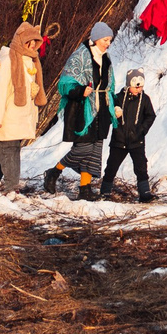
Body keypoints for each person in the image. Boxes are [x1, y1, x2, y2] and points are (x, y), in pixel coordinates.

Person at [49, 22, 117, 200]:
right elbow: (65, 84)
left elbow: (110, 84)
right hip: (82, 109)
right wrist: (80, 91)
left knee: (95, 150)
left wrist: (114, 104)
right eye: (105, 39)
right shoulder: (80, 56)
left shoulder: (106, 58)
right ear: (95, 39)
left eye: (109, 40)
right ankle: (54, 172)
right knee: (83, 148)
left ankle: (84, 188)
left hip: (101, 108)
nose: (108, 43)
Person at [0, 23, 47, 190]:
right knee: (9, 153)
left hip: (17, 119)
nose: (32, 45)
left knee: (5, 154)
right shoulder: (9, 61)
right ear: (20, 40)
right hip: (5, 119)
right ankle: (11, 188)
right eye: (28, 42)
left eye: (34, 42)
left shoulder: (29, 62)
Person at [102, 71, 159, 202]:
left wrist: (142, 130)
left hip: (136, 141)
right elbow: (108, 115)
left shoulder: (144, 99)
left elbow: (151, 116)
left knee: (141, 167)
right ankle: (105, 192)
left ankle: (145, 193)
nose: (139, 89)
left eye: (141, 87)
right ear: (128, 85)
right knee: (111, 166)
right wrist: (113, 114)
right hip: (119, 140)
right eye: (136, 87)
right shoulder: (118, 98)